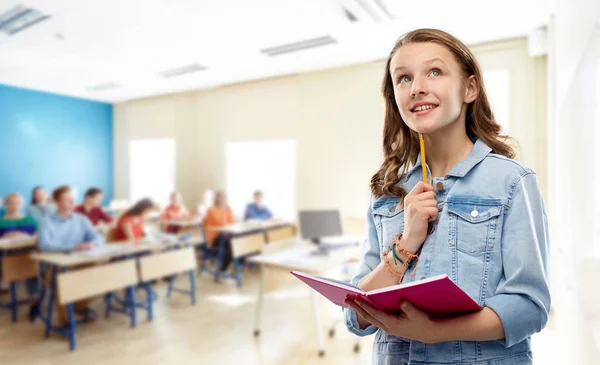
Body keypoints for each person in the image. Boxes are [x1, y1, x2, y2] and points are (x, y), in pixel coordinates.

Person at [343, 29, 550, 365]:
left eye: (435, 72)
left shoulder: (512, 182)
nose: (417, 87)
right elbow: (356, 316)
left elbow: (530, 307)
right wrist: (406, 244)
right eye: (404, 78)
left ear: (470, 88)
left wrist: (436, 331)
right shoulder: (386, 193)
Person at [38, 185, 105, 324]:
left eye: (72, 199)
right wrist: (73, 247)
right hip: (54, 265)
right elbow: (44, 245)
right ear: (56, 202)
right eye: (66, 199)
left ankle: (77, 306)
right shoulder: (46, 221)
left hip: (79, 260)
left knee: (104, 273)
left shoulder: (81, 219)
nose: (71, 203)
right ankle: (65, 320)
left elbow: (98, 237)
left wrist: (93, 244)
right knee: (63, 279)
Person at [0, 193, 39, 299]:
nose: (14, 206)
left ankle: (33, 293)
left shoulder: (30, 219)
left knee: (31, 259)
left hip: (26, 254)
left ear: (22, 204)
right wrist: (4, 236)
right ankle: (7, 279)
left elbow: (38, 235)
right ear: (6, 204)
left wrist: (25, 235)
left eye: (18, 203)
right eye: (11, 203)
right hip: (4, 254)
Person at [202, 191, 235, 273]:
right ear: (216, 198)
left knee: (235, 243)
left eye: (223, 197)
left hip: (225, 236)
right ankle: (222, 269)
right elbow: (220, 223)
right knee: (230, 244)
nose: (221, 199)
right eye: (219, 197)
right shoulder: (211, 210)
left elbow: (232, 223)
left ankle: (223, 268)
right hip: (214, 238)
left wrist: (227, 209)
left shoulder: (228, 209)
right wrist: (224, 209)